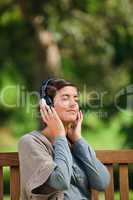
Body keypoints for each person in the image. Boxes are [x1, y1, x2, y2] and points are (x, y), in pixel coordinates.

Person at [18, 78, 110, 200]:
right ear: (47, 105)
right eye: (65, 98)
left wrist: (78, 139)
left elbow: (102, 182)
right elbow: (60, 181)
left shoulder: (74, 144)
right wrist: (60, 135)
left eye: (75, 99)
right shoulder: (30, 142)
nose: (73, 104)